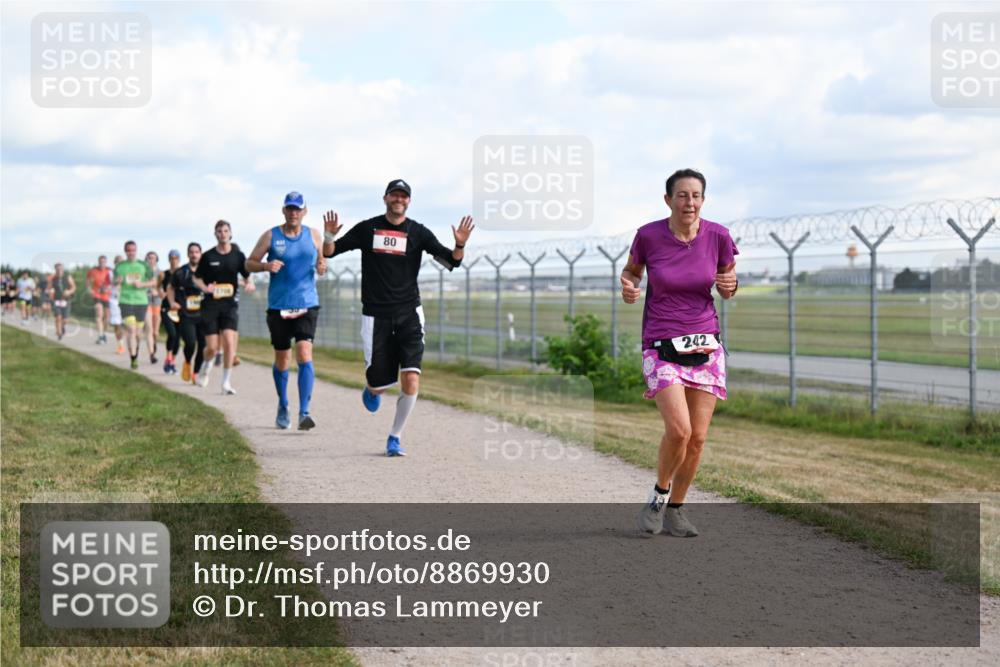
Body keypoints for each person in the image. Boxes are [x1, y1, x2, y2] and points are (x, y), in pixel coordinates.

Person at [623, 169, 738, 538]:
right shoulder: (648, 236)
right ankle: (659, 496)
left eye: (696, 195)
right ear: (668, 200)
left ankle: (676, 510)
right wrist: (629, 286)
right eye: (682, 195)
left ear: (703, 199)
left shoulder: (718, 236)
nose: (690, 202)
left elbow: (728, 285)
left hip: (705, 343)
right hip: (661, 343)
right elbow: (632, 272)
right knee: (679, 430)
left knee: (698, 438)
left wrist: (731, 285)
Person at [323, 179, 474, 456]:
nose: (399, 199)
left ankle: (395, 437)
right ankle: (372, 388)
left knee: (411, 378)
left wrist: (459, 245)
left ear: (409, 201)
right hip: (376, 316)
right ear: (385, 198)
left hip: (409, 314)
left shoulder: (418, 232)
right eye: (394, 195)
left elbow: (451, 260)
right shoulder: (368, 229)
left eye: (403, 196)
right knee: (378, 385)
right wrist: (329, 237)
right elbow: (329, 253)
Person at [247, 192, 327, 430]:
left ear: (304, 211)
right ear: (284, 210)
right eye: (290, 208)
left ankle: (304, 412)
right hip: (279, 305)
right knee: (283, 359)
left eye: (297, 209)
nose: (294, 213)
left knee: (304, 352)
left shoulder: (314, 235)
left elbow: (322, 261)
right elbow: (249, 262)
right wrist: (265, 265)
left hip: (307, 302)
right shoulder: (271, 235)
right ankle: (283, 404)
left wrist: (322, 265)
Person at [193, 220, 254, 394]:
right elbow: (197, 278)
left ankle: (226, 383)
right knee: (212, 348)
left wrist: (249, 283)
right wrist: (205, 288)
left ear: (230, 233)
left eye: (226, 231)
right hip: (210, 304)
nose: (223, 234)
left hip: (229, 304)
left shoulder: (238, 255)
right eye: (219, 231)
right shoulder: (208, 256)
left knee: (228, 340)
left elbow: (247, 275)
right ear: (215, 234)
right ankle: (206, 366)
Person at [114, 241, 157, 369]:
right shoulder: (119, 266)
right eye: (128, 250)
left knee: (138, 333)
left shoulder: (143, 265)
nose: (131, 252)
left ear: (136, 250)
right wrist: (117, 281)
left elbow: (154, 282)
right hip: (126, 301)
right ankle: (133, 358)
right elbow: (114, 282)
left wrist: (142, 284)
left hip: (141, 302)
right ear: (125, 251)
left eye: (133, 250)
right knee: (131, 330)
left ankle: (135, 351)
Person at [168, 243, 207, 384]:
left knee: (203, 345)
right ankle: (188, 361)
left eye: (197, 252)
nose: (194, 254)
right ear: (188, 254)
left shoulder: (207, 271)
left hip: (204, 314)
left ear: (200, 254)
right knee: (190, 343)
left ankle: (196, 373)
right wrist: (172, 302)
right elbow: (170, 288)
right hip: (186, 314)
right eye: (192, 252)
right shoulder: (181, 272)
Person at [161, 250, 182, 374]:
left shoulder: (182, 273)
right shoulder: (164, 274)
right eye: (172, 258)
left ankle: (172, 362)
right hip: (166, 308)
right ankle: (168, 358)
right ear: (169, 259)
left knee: (178, 338)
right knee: (172, 334)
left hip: (179, 309)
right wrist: (160, 292)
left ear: (179, 259)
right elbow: (156, 285)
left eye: (176, 258)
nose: (174, 260)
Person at [86, 255, 113, 343]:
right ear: (98, 262)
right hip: (97, 295)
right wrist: (90, 290)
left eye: (104, 262)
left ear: (106, 262)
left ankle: (104, 333)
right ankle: (100, 335)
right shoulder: (93, 271)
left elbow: (114, 283)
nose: (102, 263)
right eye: (100, 262)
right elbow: (87, 282)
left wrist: (108, 288)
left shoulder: (110, 271)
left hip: (107, 296)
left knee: (107, 318)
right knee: (99, 314)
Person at [47, 263, 76, 340]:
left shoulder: (68, 277)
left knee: (65, 320)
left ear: (63, 269)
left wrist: (69, 291)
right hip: (56, 300)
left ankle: (62, 326)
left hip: (66, 300)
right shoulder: (53, 279)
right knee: (58, 317)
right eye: (58, 269)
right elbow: (49, 289)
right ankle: (59, 333)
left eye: (61, 269)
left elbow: (73, 287)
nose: (59, 271)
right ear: (55, 270)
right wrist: (50, 295)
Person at [144, 251, 163, 364]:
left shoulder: (161, 273)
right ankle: (151, 354)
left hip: (157, 301)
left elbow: (164, 288)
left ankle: (154, 343)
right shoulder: (142, 272)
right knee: (149, 328)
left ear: (156, 260)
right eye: (149, 258)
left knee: (155, 332)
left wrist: (158, 292)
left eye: (153, 258)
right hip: (145, 301)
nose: (151, 260)